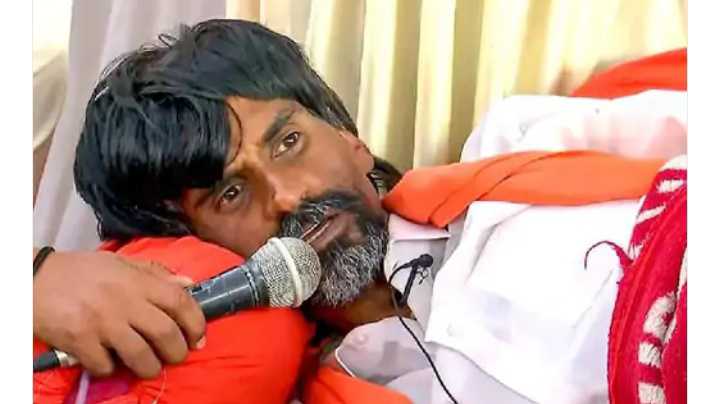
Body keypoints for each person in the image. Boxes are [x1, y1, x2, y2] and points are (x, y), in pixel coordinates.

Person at [35, 19, 686, 404]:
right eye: (230, 194)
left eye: (288, 142)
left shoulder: (522, 145)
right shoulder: (337, 384)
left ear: (349, 138)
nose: (286, 197)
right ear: (191, 246)